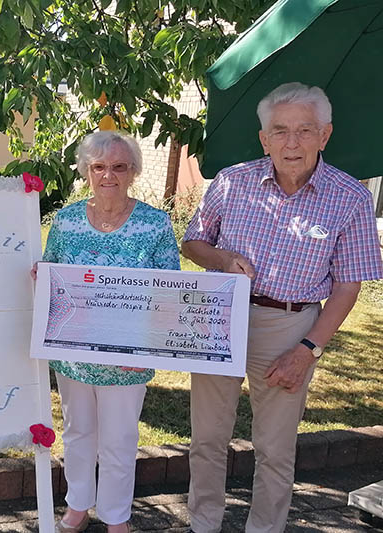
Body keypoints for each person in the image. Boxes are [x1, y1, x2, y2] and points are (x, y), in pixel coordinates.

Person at [182, 82, 383, 533]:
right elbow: (193, 241)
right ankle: (202, 523)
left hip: (290, 326)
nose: (292, 143)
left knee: (275, 447)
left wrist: (307, 349)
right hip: (220, 317)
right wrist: (220, 259)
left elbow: (348, 288)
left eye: (304, 130)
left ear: (325, 135)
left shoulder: (349, 198)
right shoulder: (232, 182)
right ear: (263, 138)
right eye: (280, 131)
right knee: (208, 438)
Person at [33, 130, 180, 532]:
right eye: (99, 167)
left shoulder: (154, 224)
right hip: (74, 353)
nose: (108, 175)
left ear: (132, 171)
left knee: (118, 440)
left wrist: (149, 351)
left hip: (127, 357)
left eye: (118, 166)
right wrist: (42, 278)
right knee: (78, 431)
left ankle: (116, 517)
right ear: (86, 171)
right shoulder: (66, 221)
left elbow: (170, 295)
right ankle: (77, 504)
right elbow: (53, 273)